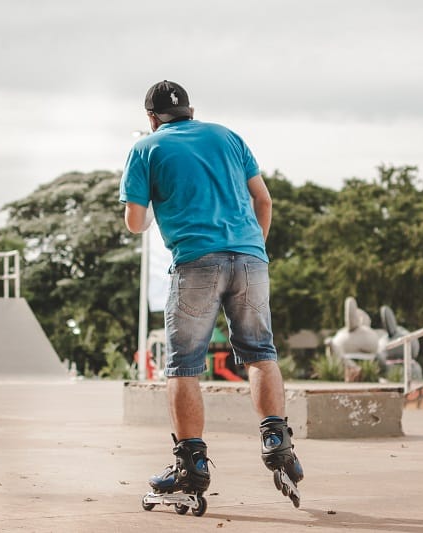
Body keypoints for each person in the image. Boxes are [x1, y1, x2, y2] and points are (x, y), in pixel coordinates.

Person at [119, 80, 304, 508]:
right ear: (190, 110)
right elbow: (264, 200)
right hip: (251, 259)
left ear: (151, 118)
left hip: (196, 262)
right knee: (261, 353)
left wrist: (149, 214)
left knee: (183, 366)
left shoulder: (146, 148)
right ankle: (276, 438)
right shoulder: (228, 136)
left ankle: (191, 465)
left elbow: (135, 221)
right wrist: (252, 247)